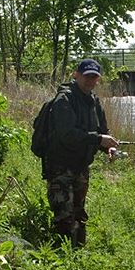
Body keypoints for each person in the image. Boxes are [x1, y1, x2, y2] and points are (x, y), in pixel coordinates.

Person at [42, 58, 118, 247]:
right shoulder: (64, 100)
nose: (90, 81)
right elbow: (67, 134)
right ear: (76, 75)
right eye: (86, 76)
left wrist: (108, 146)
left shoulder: (94, 102)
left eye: (94, 77)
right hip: (60, 167)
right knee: (64, 216)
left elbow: (102, 132)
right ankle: (61, 260)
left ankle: (78, 254)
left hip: (81, 167)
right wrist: (99, 139)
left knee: (79, 214)